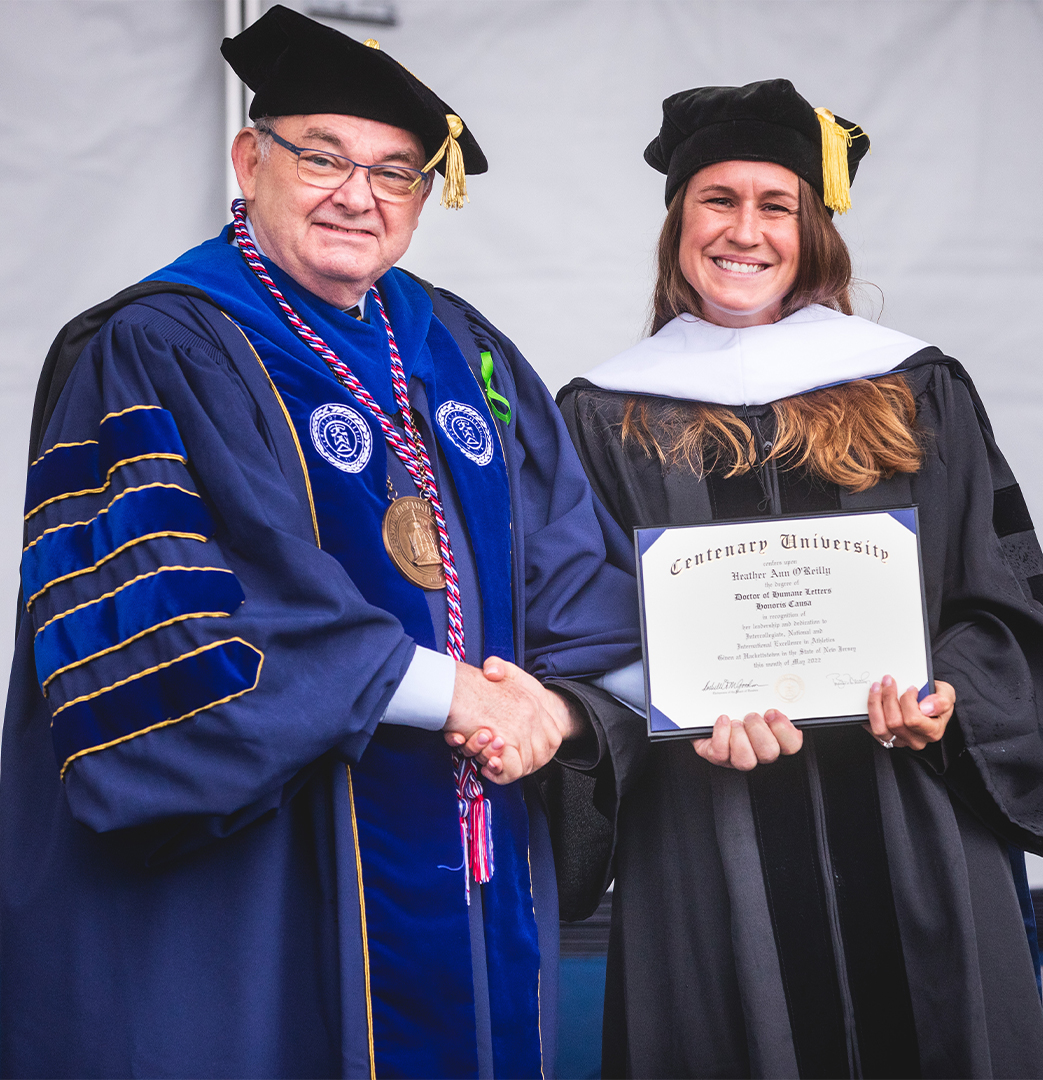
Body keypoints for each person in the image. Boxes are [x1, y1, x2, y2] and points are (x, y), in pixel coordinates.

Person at [0, 8, 640, 1078]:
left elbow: (575, 577)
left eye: (395, 173)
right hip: (256, 897)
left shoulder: (463, 351)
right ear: (250, 159)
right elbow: (173, 622)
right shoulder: (159, 344)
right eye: (324, 156)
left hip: (463, 869)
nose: (359, 194)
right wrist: (455, 695)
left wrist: (554, 708)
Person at [552, 79, 1043, 1078]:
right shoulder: (601, 413)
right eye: (717, 199)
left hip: (912, 814)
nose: (743, 230)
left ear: (815, 231)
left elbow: (996, 597)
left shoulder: (914, 388)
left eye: (776, 204)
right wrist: (676, 705)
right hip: (709, 832)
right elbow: (583, 632)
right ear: (677, 223)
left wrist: (951, 700)